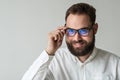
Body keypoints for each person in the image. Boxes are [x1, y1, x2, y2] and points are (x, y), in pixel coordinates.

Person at [22, 3, 120, 80]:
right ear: (64, 30)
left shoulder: (115, 64)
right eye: (71, 31)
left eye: (83, 31)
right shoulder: (54, 61)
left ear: (95, 29)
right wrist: (49, 52)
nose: (77, 38)